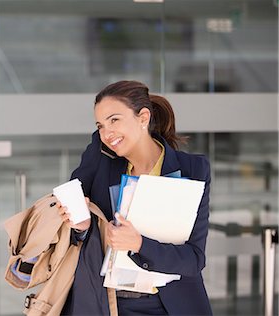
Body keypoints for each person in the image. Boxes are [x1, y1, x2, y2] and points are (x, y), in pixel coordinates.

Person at [58, 80, 213, 315]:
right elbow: (72, 228)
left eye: (114, 120)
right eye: (100, 125)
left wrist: (139, 244)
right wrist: (80, 227)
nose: (106, 133)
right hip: (109, 304)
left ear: (143, 117)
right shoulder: (100, 159)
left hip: (171, 305)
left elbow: (193, 259)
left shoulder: (193, 169)